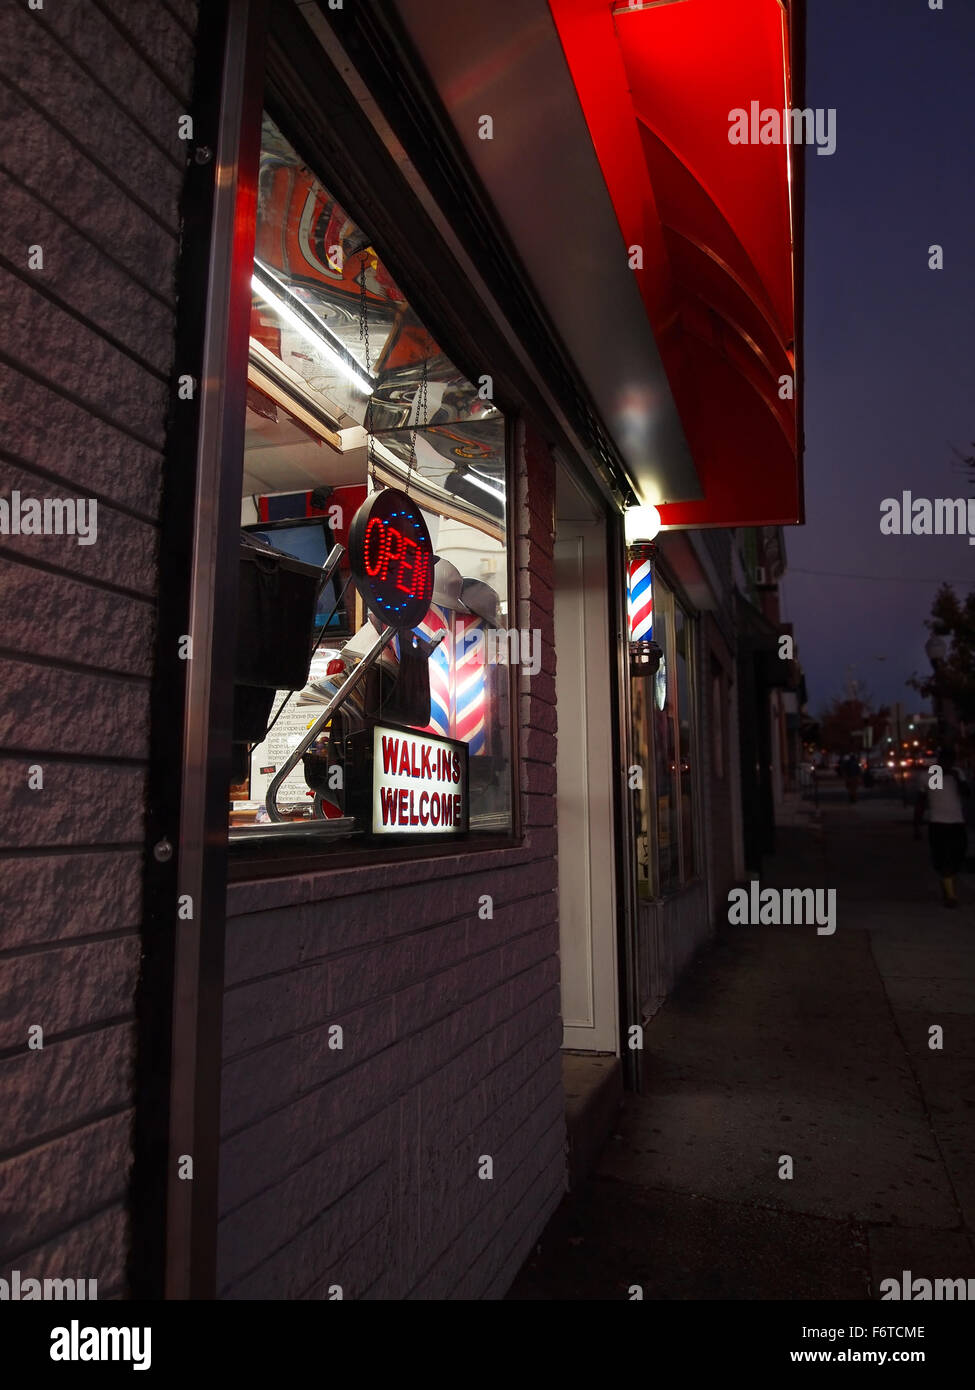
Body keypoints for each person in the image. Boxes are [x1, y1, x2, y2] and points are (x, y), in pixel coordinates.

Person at [914, 747, 970, 908]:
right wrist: (916, 826)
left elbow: (967, 793)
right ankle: (950, 896)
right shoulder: (931, 774)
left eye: (951, 761)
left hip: (957, 822)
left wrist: (957, 778)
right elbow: (922, 801)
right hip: (938, 823)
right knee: (944, 859)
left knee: (958, 857)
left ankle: (947, 884)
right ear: (940, 761)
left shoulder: (957, 773)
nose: (949, 764)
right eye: (945, 761)